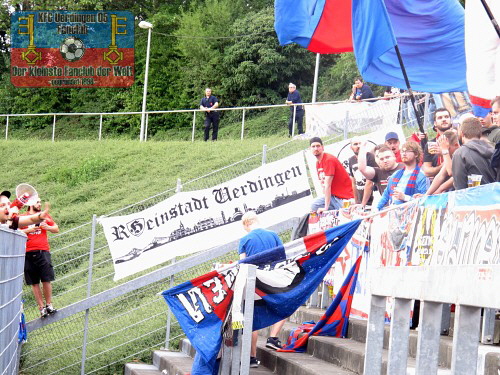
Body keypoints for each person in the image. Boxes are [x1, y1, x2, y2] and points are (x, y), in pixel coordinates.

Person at [238, 211, 285, 368]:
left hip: (254, 281)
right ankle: (273, 338)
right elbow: (282, 257)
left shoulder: (244, 239)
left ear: (246, 224)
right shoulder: (273, 235)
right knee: (284, 308)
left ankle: (251, 357)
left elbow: (242, 264)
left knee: (251, 319)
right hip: (272, 279)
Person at [21, 198, 59, 318]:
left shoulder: (45, 216)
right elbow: (16, 231)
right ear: (30, 204)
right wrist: (29, 230)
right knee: (34, 282)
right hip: (27, 253)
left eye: (40, 202)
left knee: (46, 279)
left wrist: (47, 227)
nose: (39, 204)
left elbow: (56, 229)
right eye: (37, 202)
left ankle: (49, 305)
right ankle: (41, 308)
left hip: (43, 251)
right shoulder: (23, 218)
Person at [377, 141, 429, 210]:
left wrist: (405, 197)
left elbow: (425, 201)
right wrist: (376, 209)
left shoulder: (422, 176)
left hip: (412, 214)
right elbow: (386, 194)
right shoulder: (396, 174)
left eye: (407, 151)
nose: (404, 154)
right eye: (402, 151)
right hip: (395, 214)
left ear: (416, 154)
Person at [310, 137, 354, 213]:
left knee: (346, 214)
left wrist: (325, 208)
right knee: (314, 206)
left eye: (318, 146)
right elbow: (323, 185)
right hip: (333, 196)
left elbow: (327, 186)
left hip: (344, 197)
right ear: (310, 148)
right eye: (313, 146)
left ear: (322, 147)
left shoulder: (329, 160)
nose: (316, 148)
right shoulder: (318, 163)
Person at [451, 117, 496, 190]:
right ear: (480, 133)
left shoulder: (460, 154)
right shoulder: (494, 150)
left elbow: (460, 186)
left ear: (462, 133)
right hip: (495, 198)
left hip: (473, 199)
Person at [426, 130, 461, 195]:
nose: (442, 150)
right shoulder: (450, 156)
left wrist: (445, 151)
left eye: (447, 148)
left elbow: (452, 172)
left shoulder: (461, 154)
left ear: (456, 145)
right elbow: (440, 176)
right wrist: (426, 195)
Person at [422, 108, 453, 178]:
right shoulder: (431, 144)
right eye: (440, 118)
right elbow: (426, 171)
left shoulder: (458, 139)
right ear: (435, 123)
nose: (444, 119)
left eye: (446, 117)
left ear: (451, 121)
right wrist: (442, 166)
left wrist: (444, 153)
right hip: (439, 182)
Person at [347, 137, 378, 205]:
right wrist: (356, 201)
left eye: (360, 143)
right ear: (351, 147)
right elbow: (354, 183)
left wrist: (363, 204)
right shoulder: (351, 160)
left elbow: (369, 183)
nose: (358, 146)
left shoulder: (370, 157)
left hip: (374, 200)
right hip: (361, 200)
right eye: (355, 144)